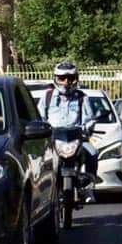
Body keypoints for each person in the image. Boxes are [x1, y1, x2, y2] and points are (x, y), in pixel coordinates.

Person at [37, 61, 98, 204]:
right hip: (53, 141)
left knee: (92, 153)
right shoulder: (47, 97)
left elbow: (90, 119)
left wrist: (87, 129)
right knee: (39, 160)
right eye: (62, 78)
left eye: (70, 78)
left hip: (76, 140)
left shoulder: (82, 98)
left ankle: (88, 188)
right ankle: (42, 192)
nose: (66, 82)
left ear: (76, 78)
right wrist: (43, 131)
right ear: (55, 78)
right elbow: (40, 118)